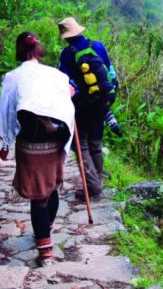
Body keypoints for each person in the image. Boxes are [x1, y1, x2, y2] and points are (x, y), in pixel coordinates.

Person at [0, 31, 75, 267]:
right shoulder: (55, 75)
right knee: (50, 189)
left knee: (38, 196)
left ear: (19, 51)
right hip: (55, 143)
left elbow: (7, 109)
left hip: (30, 143)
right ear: (38, 51)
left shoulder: (13, 77)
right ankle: (45, 234)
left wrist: (6, 143)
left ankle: (45, 251)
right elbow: (69, 95)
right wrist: (70, 93)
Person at [57, 17, 117, 199]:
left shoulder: (66, 54)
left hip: (81, 106)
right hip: (101, 103)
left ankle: (93, 187)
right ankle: (96, 183)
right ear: (80, 31)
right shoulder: (98, 46)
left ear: (67, 37)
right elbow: (110, 71)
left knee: (81, 145)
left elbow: (64, 82)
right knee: (96, 144)